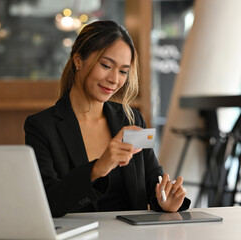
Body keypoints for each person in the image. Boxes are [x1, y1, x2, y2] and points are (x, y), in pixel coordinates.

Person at [24, 20, 190, 218]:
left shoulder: (131, 119)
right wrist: (98, 169)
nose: (114, 79)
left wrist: (165, 201)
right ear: (78, 60)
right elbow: (48, 203)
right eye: (106, 65)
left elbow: (153, 184)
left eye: (123, 71)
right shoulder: (42, 126)